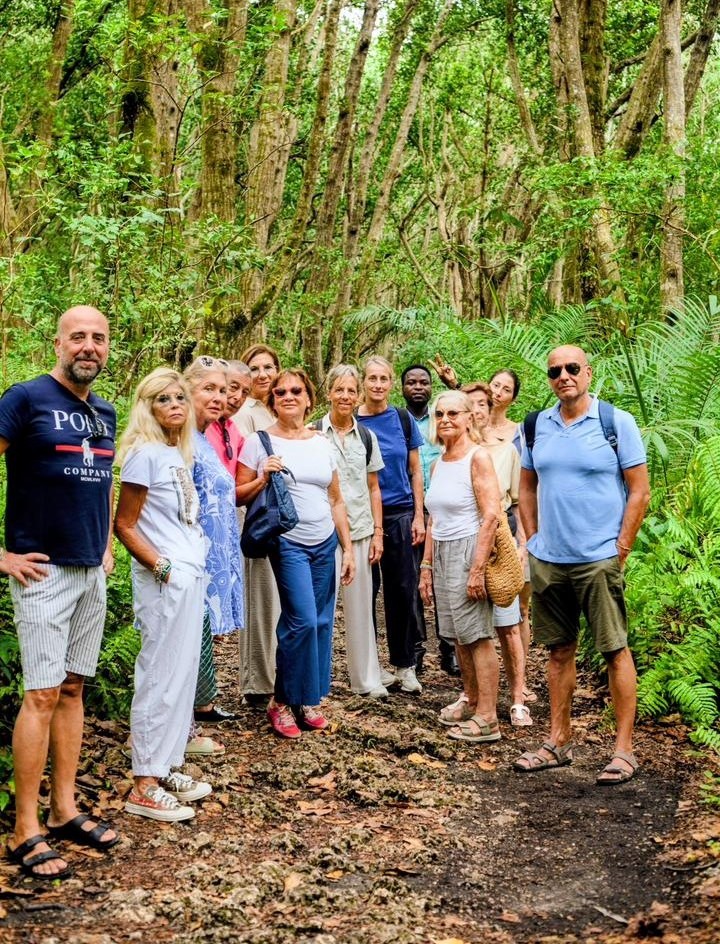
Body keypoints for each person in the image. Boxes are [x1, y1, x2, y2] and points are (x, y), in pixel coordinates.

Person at [1, 306, 118, 880]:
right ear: (58, 342)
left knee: (73, 689)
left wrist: (104, 545)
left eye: (98, 338)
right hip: (40, 573)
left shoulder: (104, 412)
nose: (88, 346)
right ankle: (25, 829)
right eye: (79, 336)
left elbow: (99, 480)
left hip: (89, 572)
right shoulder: (24, 399)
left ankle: (64, 807)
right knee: (41, 695)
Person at [515, 346, 650, 783]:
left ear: (588, 372)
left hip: (598, 559)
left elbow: (639, 490)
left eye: (572, 368)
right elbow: (527, 485)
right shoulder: (536, 425)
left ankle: (624, 750)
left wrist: (621, 547)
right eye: (555, 370)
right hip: (551, 560)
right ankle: (558, 741)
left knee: (614, 649)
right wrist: (533, 539)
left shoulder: (616, 422)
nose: (564, 376)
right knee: (558, 651)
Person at [115, 368, 211, 822]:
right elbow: (125, 524)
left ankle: (167, 764)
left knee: (182, 674)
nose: (174, 405)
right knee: (158, 674)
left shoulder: (177, 452)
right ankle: (144, 782)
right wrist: (162, 566)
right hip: (164, 579)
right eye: (163, 399)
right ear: (147, 407)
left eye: (179, 398)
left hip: (189, 575)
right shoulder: (143, 455)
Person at [237, 369, 355, 738]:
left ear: (308, 398)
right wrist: (262, 476)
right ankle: (281, 701)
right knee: (301, 620)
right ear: (272, 401)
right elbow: (238, 492)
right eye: (280, 392)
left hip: (326, 542)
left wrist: (348, 547)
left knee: (321, 622)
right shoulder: (258, 442)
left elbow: (335, 499)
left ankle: (308, 698)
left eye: (296, 391)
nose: (288, 396)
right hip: (287, 541)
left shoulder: (321, 442)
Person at [419, 391, 502, 742]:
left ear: (469, 417)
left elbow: (492, 515)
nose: (445, 419)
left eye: (454, 413)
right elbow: (434, 520)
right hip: (443, 552)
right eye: (439, 414)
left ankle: (488, 717)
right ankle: (470, 699)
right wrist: (426, 567)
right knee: (457, 637)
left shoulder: (477, 457)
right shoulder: (439, 462)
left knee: (478, 636)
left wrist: (477, 568)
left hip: (470, 550)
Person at [462, 381, 532, 727]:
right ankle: (471, 694)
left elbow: (519, 503)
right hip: (463, 540)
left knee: (508, 623)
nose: (476, 411)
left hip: (499, 538)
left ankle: (518, 697)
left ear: (491, 411)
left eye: (481, 405)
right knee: (469, 626)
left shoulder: (507, 451)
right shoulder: (454, 451)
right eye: (469, 405)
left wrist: (521, 547)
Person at [184, 357, 244, 741]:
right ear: (187, 389)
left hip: (214, 560)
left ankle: (195, 713)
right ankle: (181, 728)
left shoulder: (206, 438)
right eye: (209, 388)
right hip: (191, 560)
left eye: (224, 390)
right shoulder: (181, 439)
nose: (220, 397)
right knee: (187, 641)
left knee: (201, 638)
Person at [317, 365, 387, 698]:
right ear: (328, 392)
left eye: (350, 390)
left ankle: (366, 680)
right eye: (339, 390)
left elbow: (374, 487)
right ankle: (316, 681)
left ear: (358, 395)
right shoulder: (313, 434)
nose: (345, 396)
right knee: (319, 611)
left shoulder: (367, 438)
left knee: (361, 609)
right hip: (320, 534)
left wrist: (378, 532)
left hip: (359, 531)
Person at [358, 356, 425, 694]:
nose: (378, 385)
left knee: (402, 590)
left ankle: (405, 664)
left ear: (391, 382)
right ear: (363, 381)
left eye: (384, 378)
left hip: (400, 512)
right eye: (372, 378)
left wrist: (419, 515)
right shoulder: (352, 421)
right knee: (365, 592)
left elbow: (416, 469)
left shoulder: (402, 419)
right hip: (363, 517)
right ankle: (372, 666)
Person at [401, 364, 459, 677]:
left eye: (424, 382)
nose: (418, 387)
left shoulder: (443, 416)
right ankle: (416, 649)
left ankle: (450, 648)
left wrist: (456, 383)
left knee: (446, 578)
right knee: (413, 580)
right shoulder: (397, 420)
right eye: (411, 382)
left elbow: (471, 416)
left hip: (446, 506)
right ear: (403, 387)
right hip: (412, 509)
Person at [233, 344, 281, 706]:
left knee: (281, 602)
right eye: (255, 368)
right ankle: (257, 681)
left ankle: (280, 674)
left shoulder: (281, 407)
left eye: (269, 367)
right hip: (254, 509)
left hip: (283, 516)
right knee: (259, 602)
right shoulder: (244, 413)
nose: (263, 374)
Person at [205, 360, 251, 477]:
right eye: (233, 387)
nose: (238, 397)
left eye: (245, 393)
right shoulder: (200, 423)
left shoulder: (234, 432)